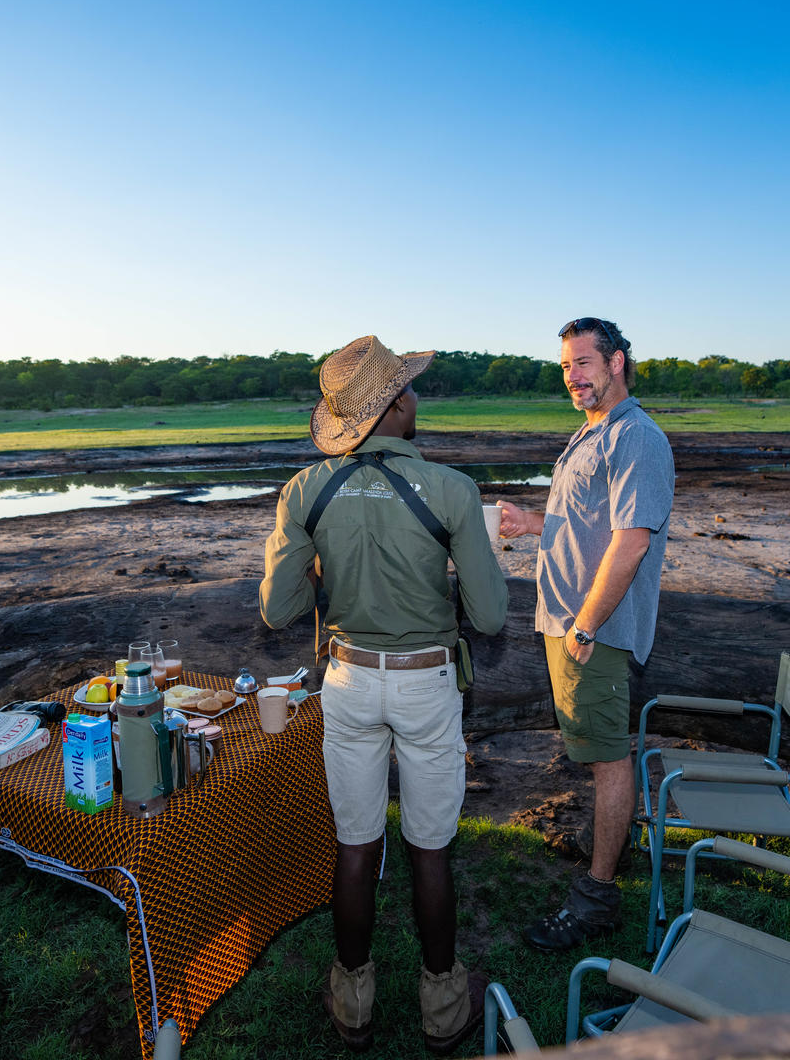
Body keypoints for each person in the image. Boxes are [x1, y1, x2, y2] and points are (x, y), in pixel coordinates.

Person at [260, 334, 508, 1053]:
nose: (418, 397)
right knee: (429, 849)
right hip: (426, 682)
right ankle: (443, 1008)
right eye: (410, 387)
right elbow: (491, 616)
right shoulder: (453, 489)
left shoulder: (304, 490)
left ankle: (354, 1001)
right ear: (394, 407)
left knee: (355, 843)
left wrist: (323, 570)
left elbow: (276, 609)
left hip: (347, 681)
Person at [497, 316, 674, 953]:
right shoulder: (592, 430)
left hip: (592, 630)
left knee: (607, 759)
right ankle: (606, 842)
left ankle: (597, 895)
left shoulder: (636, 437)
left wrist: (585, 625)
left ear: (616, 362)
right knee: (596, 749)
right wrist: (533, 522)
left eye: (583, 363)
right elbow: (586, 523)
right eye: (566, 367)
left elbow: (631, 543)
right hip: (570, 622)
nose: (573, 376)